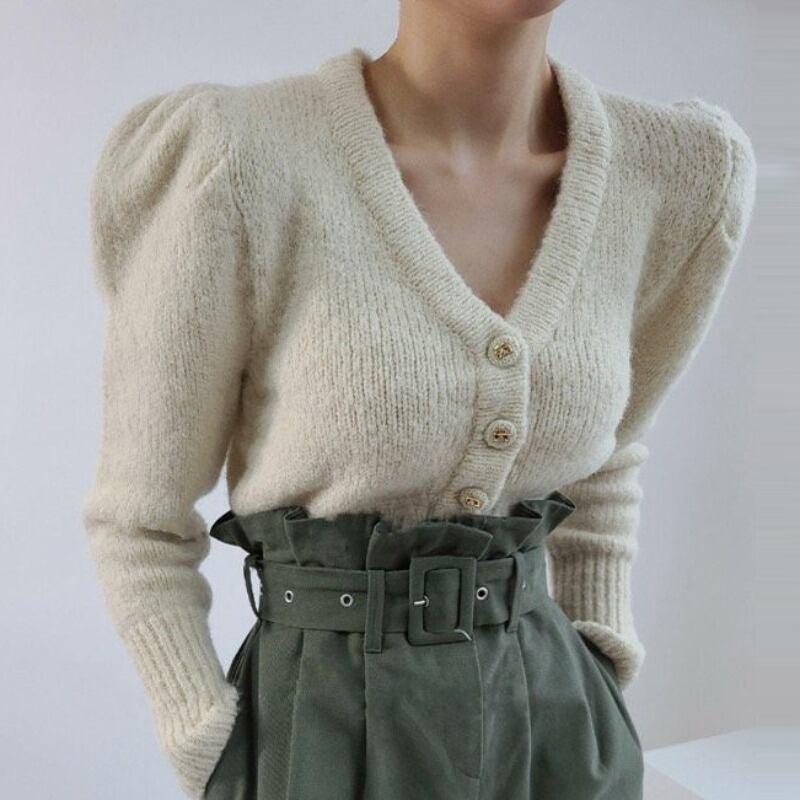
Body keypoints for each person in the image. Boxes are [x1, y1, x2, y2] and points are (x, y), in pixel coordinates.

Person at [82, 2, 757, 799]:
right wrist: (205, 735)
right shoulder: (239, 159)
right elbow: (140, 518)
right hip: (321, 732)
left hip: (558, 730)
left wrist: (598, 654)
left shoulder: (674, 170)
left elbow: (606, 453)